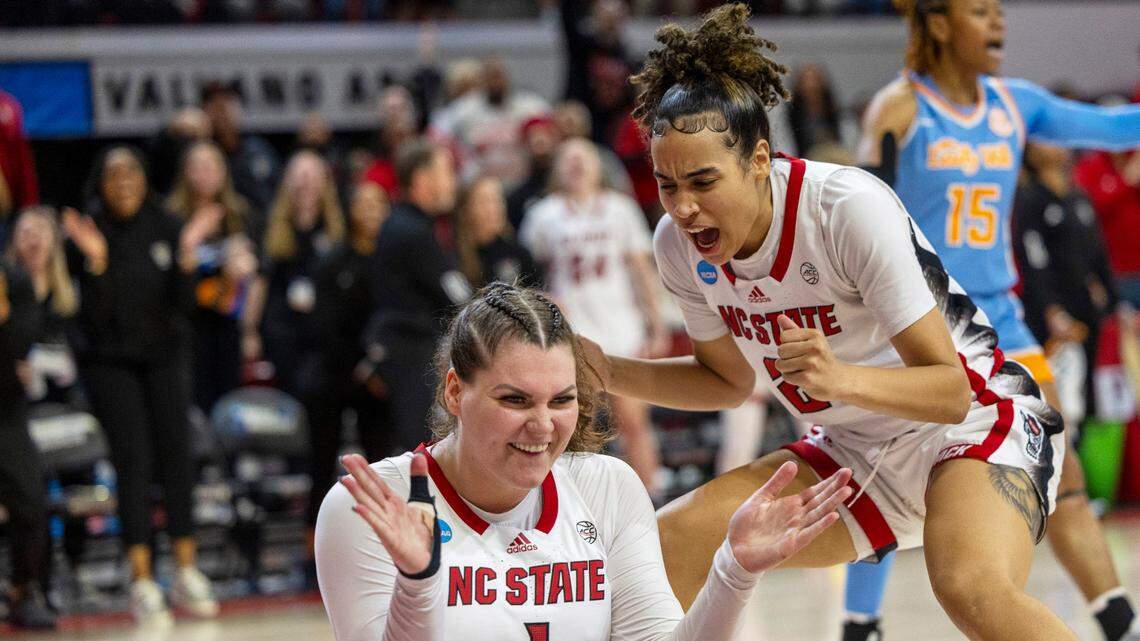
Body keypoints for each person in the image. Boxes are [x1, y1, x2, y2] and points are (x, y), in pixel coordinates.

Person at [585, 5, 1075, 640]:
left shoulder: (846, 208)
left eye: (703, 181)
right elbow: (726, 382)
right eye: (666, 184)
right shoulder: (677, 245)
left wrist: (838, 378)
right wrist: (606, 371)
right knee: (656, 551)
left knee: (969, 587)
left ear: (759, 159)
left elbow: (950, 391)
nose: (682, 206)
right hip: (851, 450)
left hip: (979, 422)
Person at [315, 282, 853, 641]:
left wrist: (734, 571)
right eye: (515, 400)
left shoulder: (607, 487)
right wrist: (418, 581)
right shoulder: (369, 508)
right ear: (455, 391)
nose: (544, 425)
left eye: (562, 400)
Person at [853, 1, 1140, 637]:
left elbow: (1115, 125)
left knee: (1064, 481)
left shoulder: (1016, 104)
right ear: (937, 22)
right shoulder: (900, 108)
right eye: (979, 11)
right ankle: (859, 624)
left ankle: (1118, 621)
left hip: (1007, 329)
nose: (997, 23)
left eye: (998, 11)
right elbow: (854, 211)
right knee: (877, 478)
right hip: (923, 332)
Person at [63, 146, 219, 624]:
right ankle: (142, 579)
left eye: (131, 171)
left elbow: (185, 307)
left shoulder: (167, 226)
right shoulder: (88, 233)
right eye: (113, 174)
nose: (123, 181)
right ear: (100, 183)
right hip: (112, 365)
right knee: (134, 463)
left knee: (176, 458)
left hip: (166, 360)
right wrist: (97, 263)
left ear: (144, 178)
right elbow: (92, 319)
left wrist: (189, 258)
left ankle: (187, 573)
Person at [520, 138, 669, 497]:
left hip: (621, 326)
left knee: (633, 420)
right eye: (568, 158)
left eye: (583, 157)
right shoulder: (543, 214)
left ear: (598, 166)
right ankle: (572, 504)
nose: (576, 164)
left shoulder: (620, 208)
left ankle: (649, 500)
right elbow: (528, 270)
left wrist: (657, 322)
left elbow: (641, 269)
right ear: (558, 169)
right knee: (573, 424)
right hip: (573, 331)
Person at [362, 139, 472, 454]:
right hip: (409, 355)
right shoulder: (414, 233)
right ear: (423, 179)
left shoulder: (403, 224)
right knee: (417, 450)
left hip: (398, 350)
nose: (453, 182)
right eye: (447, 172)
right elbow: (457, 297)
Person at [306, 181, 393, 544]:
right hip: (336, 372)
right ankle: (313, 544)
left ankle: (379, 539)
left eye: (377, 203)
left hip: (381, 377)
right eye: (362, 203)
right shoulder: (332, 260)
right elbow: (325, 326)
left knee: (382, 463)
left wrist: (378, 368)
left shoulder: (394, 260)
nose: (370, 211)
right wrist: (360, 367)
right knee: (322, 459)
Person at [1013, 142, 1121, 427]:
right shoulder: (1031, 199)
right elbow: (1031, 258)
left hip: (1087, 307)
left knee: (1087, 399)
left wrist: (1112, 297)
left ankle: (1082, 460)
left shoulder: (1077, 196)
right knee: (1059, 402)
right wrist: (1051, 310)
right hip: (1054, 315)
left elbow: (1098, 251)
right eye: (1044, 141)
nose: (1056, 147)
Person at [243, 150, 345, 403]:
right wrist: (249, 332)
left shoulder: (336, 226)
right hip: (283, 331)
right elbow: (260, 280)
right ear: (287, 181)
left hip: (324, 333)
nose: (305, 182)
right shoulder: (270, 224)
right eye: (299, 175)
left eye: (312, 175)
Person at [166, 141, 258, 412]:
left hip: (227, 322)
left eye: (211, 166)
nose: (203, 174)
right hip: (188, 323)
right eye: (196, 167)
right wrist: (191, 239)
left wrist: (250, 328)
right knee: (195, 398)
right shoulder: (172, 216)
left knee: (227, 399)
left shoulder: (240, 213)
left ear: (223, 172)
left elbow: (256, 273)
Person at [0, 252, 55, 629]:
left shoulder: (15, 282)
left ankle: (24, 588)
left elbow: (20, 349)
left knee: (31, 501)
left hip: (7, 412)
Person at [7, 207, 81, 406]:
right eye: (26, 232)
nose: (33, 239)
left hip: (64, 398)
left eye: (40, 230)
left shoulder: (70, 292)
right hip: (15, 398)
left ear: (54, 241)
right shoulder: (6, 292)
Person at [456, 174, 542, 289]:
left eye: (497, 200)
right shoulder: (454, 255)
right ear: (465, 209)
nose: (493, 209)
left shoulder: (517, 253)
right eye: (484, 202)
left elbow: (538, 296)